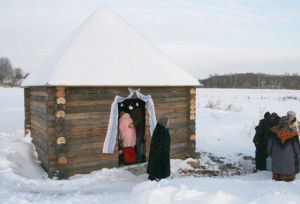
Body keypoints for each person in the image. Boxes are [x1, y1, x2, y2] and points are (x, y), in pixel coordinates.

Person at [267, 116, 299, 181]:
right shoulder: (292, 132)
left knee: (277, 164)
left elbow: (270, 143)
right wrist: (297, 153)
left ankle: (277, 177)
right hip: (289, 153)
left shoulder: (274, 130)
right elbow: (295, 145)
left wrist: (269, 151)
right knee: (288, 164)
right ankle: (288, 178)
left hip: (276, 152)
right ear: (288, 122)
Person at [147, 117, 171, 181]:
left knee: (161, 164)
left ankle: (161, 175)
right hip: (158, 153)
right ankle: (155, 175)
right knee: (157, 164)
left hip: (164, 152)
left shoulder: (165, 129)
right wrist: (160, 151)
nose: (168, 124)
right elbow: (156, 143)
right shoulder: (159, 131)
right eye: (167, 123)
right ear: (163, 123)